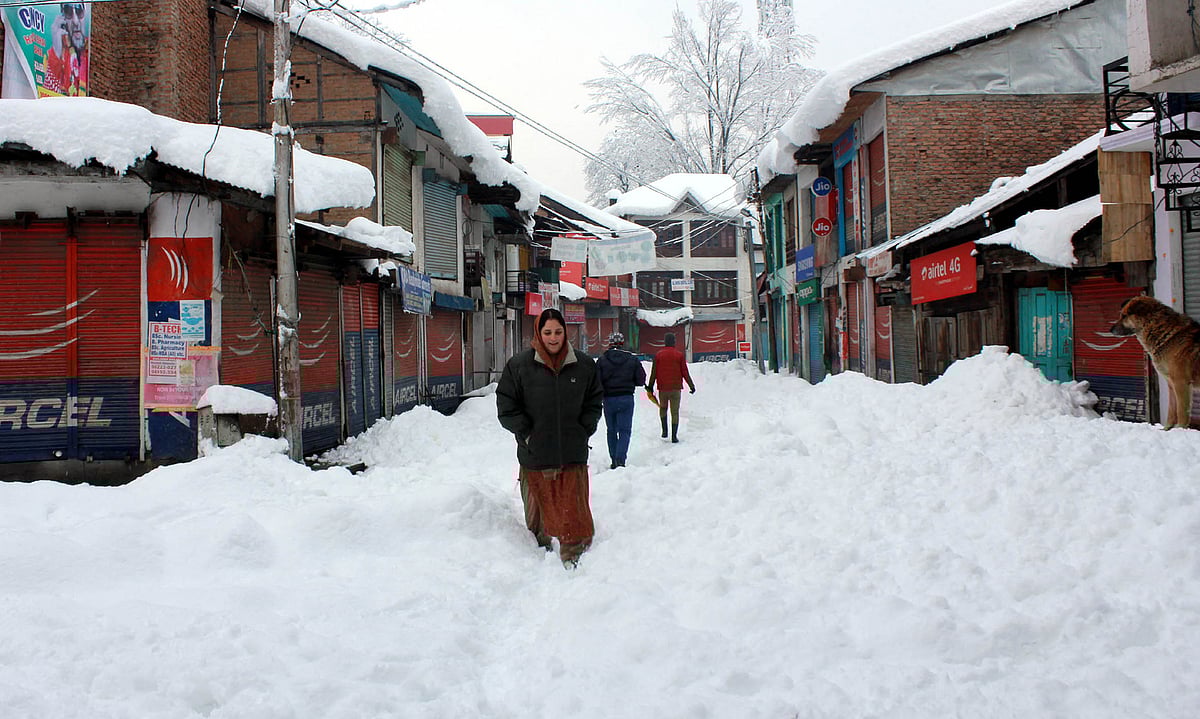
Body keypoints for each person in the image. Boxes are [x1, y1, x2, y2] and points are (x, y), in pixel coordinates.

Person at [496, 308, 604, 568]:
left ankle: (573, 554)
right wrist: (528, 434)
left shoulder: (584, 364)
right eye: (547, 332)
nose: (553, 338)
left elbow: (594, 401)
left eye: (558, 332)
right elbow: (506, 407)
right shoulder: (519, 366)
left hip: (572, 452)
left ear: (565, 332)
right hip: (534, 456)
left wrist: (583, 428)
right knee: (538, 514)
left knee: (573, 507)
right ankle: (537, 556)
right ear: (538, 333)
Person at [595, 331, 646, 470]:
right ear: (622, 343)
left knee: (611, 430)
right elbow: (641, 380)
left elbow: (596, 382)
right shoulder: (632, 359)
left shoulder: (602, 360)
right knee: (624, 430)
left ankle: (613, 459)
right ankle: (620, 459)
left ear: (610, 344)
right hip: (626, 399)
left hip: (608, 400)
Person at [646, 332, 695, 443]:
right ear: (674, 342)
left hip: (663, 388)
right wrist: (691, 386)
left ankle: (664, 431)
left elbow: (654, 373)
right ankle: (674, 436)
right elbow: (685, 372)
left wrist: (650, 387)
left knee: (663, 409)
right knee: (675, 412)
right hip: (676, 388)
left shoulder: (658, 355)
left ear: (665, 342)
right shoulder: (679, 355)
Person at [44, 3, 89, 97]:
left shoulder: (91, 50)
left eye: (79, 11)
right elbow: (47, 101)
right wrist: (56, 55)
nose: (76, 22)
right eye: (68, 12)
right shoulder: (52, 56)